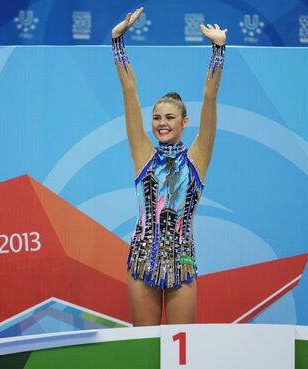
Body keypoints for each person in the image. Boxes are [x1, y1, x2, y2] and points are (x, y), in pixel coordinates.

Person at [111, 7, 227, 326]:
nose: (162, 124)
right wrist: (117, 41)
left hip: (182, 263)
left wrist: (218, 50)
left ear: (184, 122)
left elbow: (210, 98)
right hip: (142, 263)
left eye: (170, 117)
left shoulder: (197, 159)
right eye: (157, 118)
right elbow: (129, 93)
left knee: (181, 351)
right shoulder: (143, 156)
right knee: (144, 350)